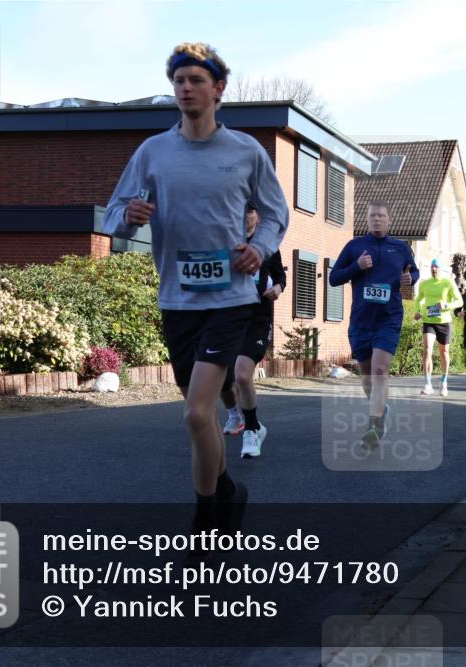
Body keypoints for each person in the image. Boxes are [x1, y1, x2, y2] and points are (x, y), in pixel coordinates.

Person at [103, 42, 289, 539]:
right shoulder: (153, 152)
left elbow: (276, 213)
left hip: (230, 300)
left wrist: (259, 246)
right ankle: (227, 495)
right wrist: (128, 216)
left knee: (194, 412)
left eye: (196, 80)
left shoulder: (246, 151)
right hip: (177, 301)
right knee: (201, 418)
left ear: (218, 89)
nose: (185, 88)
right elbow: (112, 215)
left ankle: (205, 521)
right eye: (179, 81)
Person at [330, 201, 418, 449]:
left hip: (388, 318)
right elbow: (334, 278)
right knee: (367, 376)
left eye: (381, 216)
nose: (376, 220)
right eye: (372, 216)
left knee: (380, 370)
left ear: (390, 220)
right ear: (367, 220)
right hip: (361, 320)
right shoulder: (354, 246)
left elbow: (415, 272)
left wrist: (410, 278)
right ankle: (381, 409)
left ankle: (374, 423)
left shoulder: (400, 248)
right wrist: (356, 267)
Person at [219, 203, 285, 458]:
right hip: (227, 316)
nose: (245, 217)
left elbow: (280, 276)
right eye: (241, 212)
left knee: (243, 375)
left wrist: (278, 288)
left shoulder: (268, 245)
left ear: (258, 218)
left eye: (250, 213)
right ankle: (235, 414)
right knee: (223, 379)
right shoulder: (225, 241)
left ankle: (253, 429)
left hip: (256, 317)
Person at [413, 258, 463, 396]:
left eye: (437, 267)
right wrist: (418, 310)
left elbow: (459, 301)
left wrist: (447, 305)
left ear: (441, 269)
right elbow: (418, 299)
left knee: (444, 352)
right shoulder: (425, 284)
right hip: (428, 320)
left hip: (444, 321)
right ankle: (428, 384)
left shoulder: (448, 283)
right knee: (427, 349)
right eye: (432, 267)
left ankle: (444, 381)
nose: (434, 270)